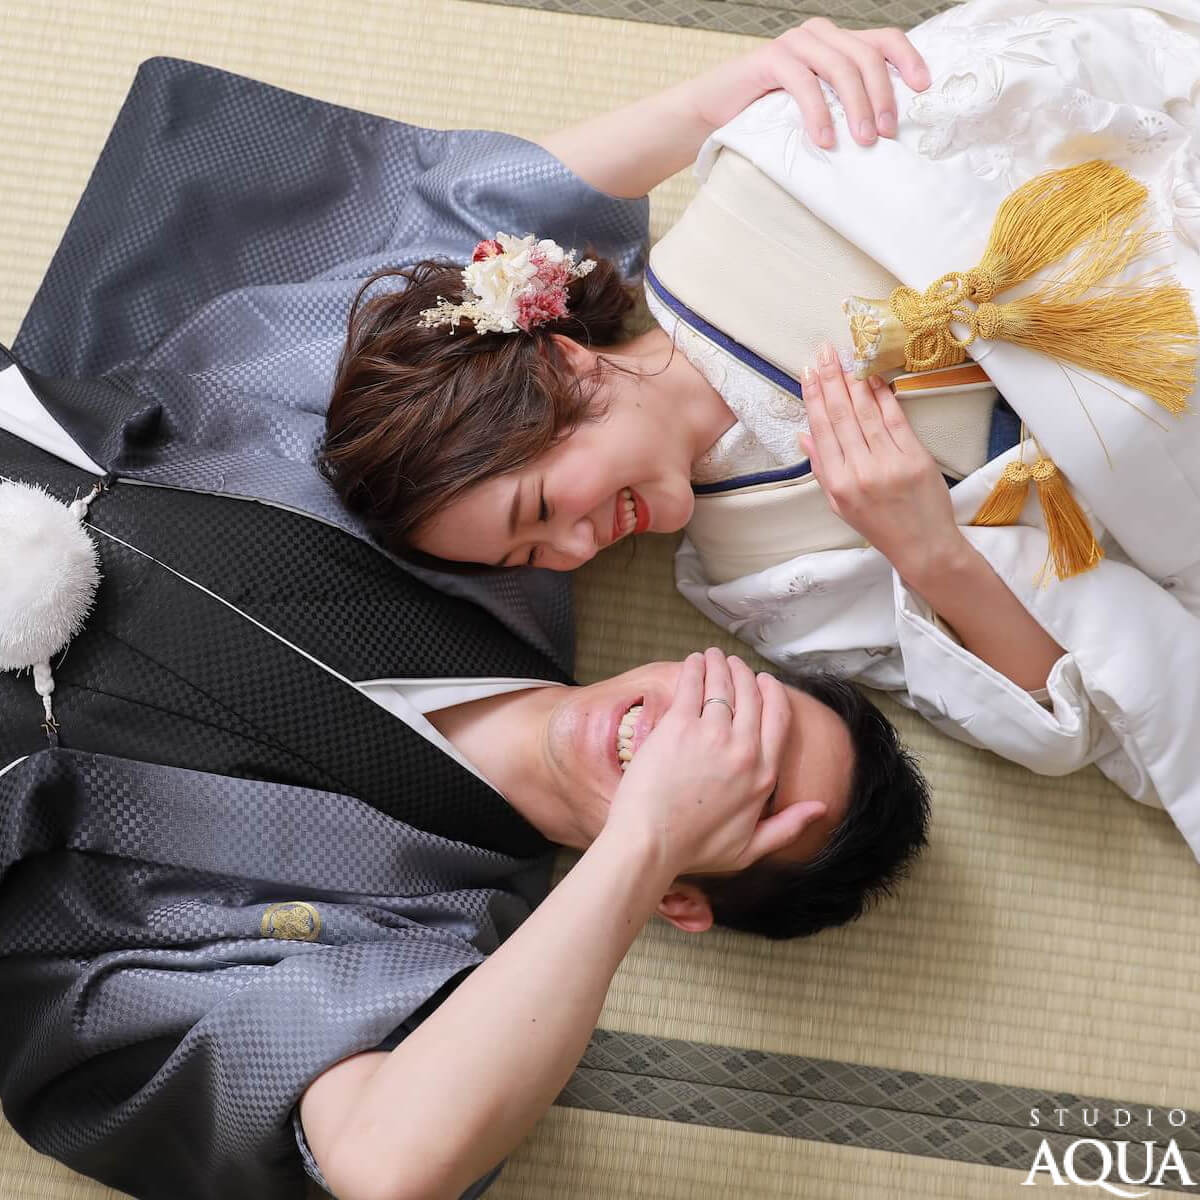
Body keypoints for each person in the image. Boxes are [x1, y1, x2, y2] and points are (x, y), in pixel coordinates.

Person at [0, 32, 932, 1200]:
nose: (700, 743)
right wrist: (721, 94)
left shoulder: (423, 940)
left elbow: (385, 1164)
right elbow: (463, 233)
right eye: (746, 714)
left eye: (743, 788)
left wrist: (643, 838)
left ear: (679, 899)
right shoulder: (477, 552)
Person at [322, 0, 1200, 860]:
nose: (578, 548)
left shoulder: (772, 180)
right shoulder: (759, 581)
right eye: (533, 558)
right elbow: (1065, 719)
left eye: (542, 508)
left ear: (562, 367)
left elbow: (1112, 78)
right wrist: (928, 550)